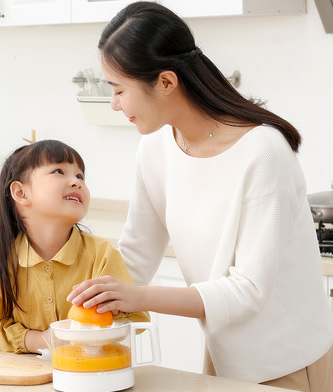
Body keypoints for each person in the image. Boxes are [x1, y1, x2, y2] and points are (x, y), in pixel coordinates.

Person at [66, 2, 333, 391]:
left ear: (167, 82)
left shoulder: (263, 151)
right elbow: (136, 255)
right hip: (224, 350)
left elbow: (249, 290)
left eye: (119, 89)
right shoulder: (156, 146)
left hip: (286, 358)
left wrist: (137, 297)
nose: (114, 103)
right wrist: (40, 290)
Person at [0, 140, 149, 354]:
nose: (76, 182)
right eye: (58, 171)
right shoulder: (0, 265)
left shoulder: (102, 255)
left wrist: (112, 311)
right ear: (20, 193)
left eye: (80, 176)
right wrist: (43, 340)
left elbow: (137, 322)